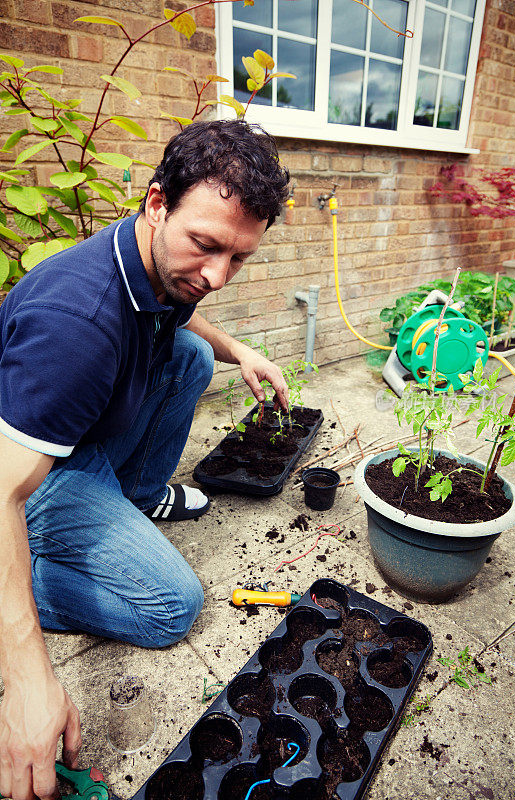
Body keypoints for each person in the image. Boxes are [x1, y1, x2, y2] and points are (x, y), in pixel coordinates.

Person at [0, 119, 291, 800]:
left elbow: (181, 312)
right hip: (34, 471)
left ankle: (131, 494)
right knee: (168, 606)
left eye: (238, 257)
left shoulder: (152, 264)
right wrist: (26, 676)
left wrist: (240, 351)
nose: (218, 275)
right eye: (206, 245)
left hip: (79, 437)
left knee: (190, 356)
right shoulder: (77, 326)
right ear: (157, 203)